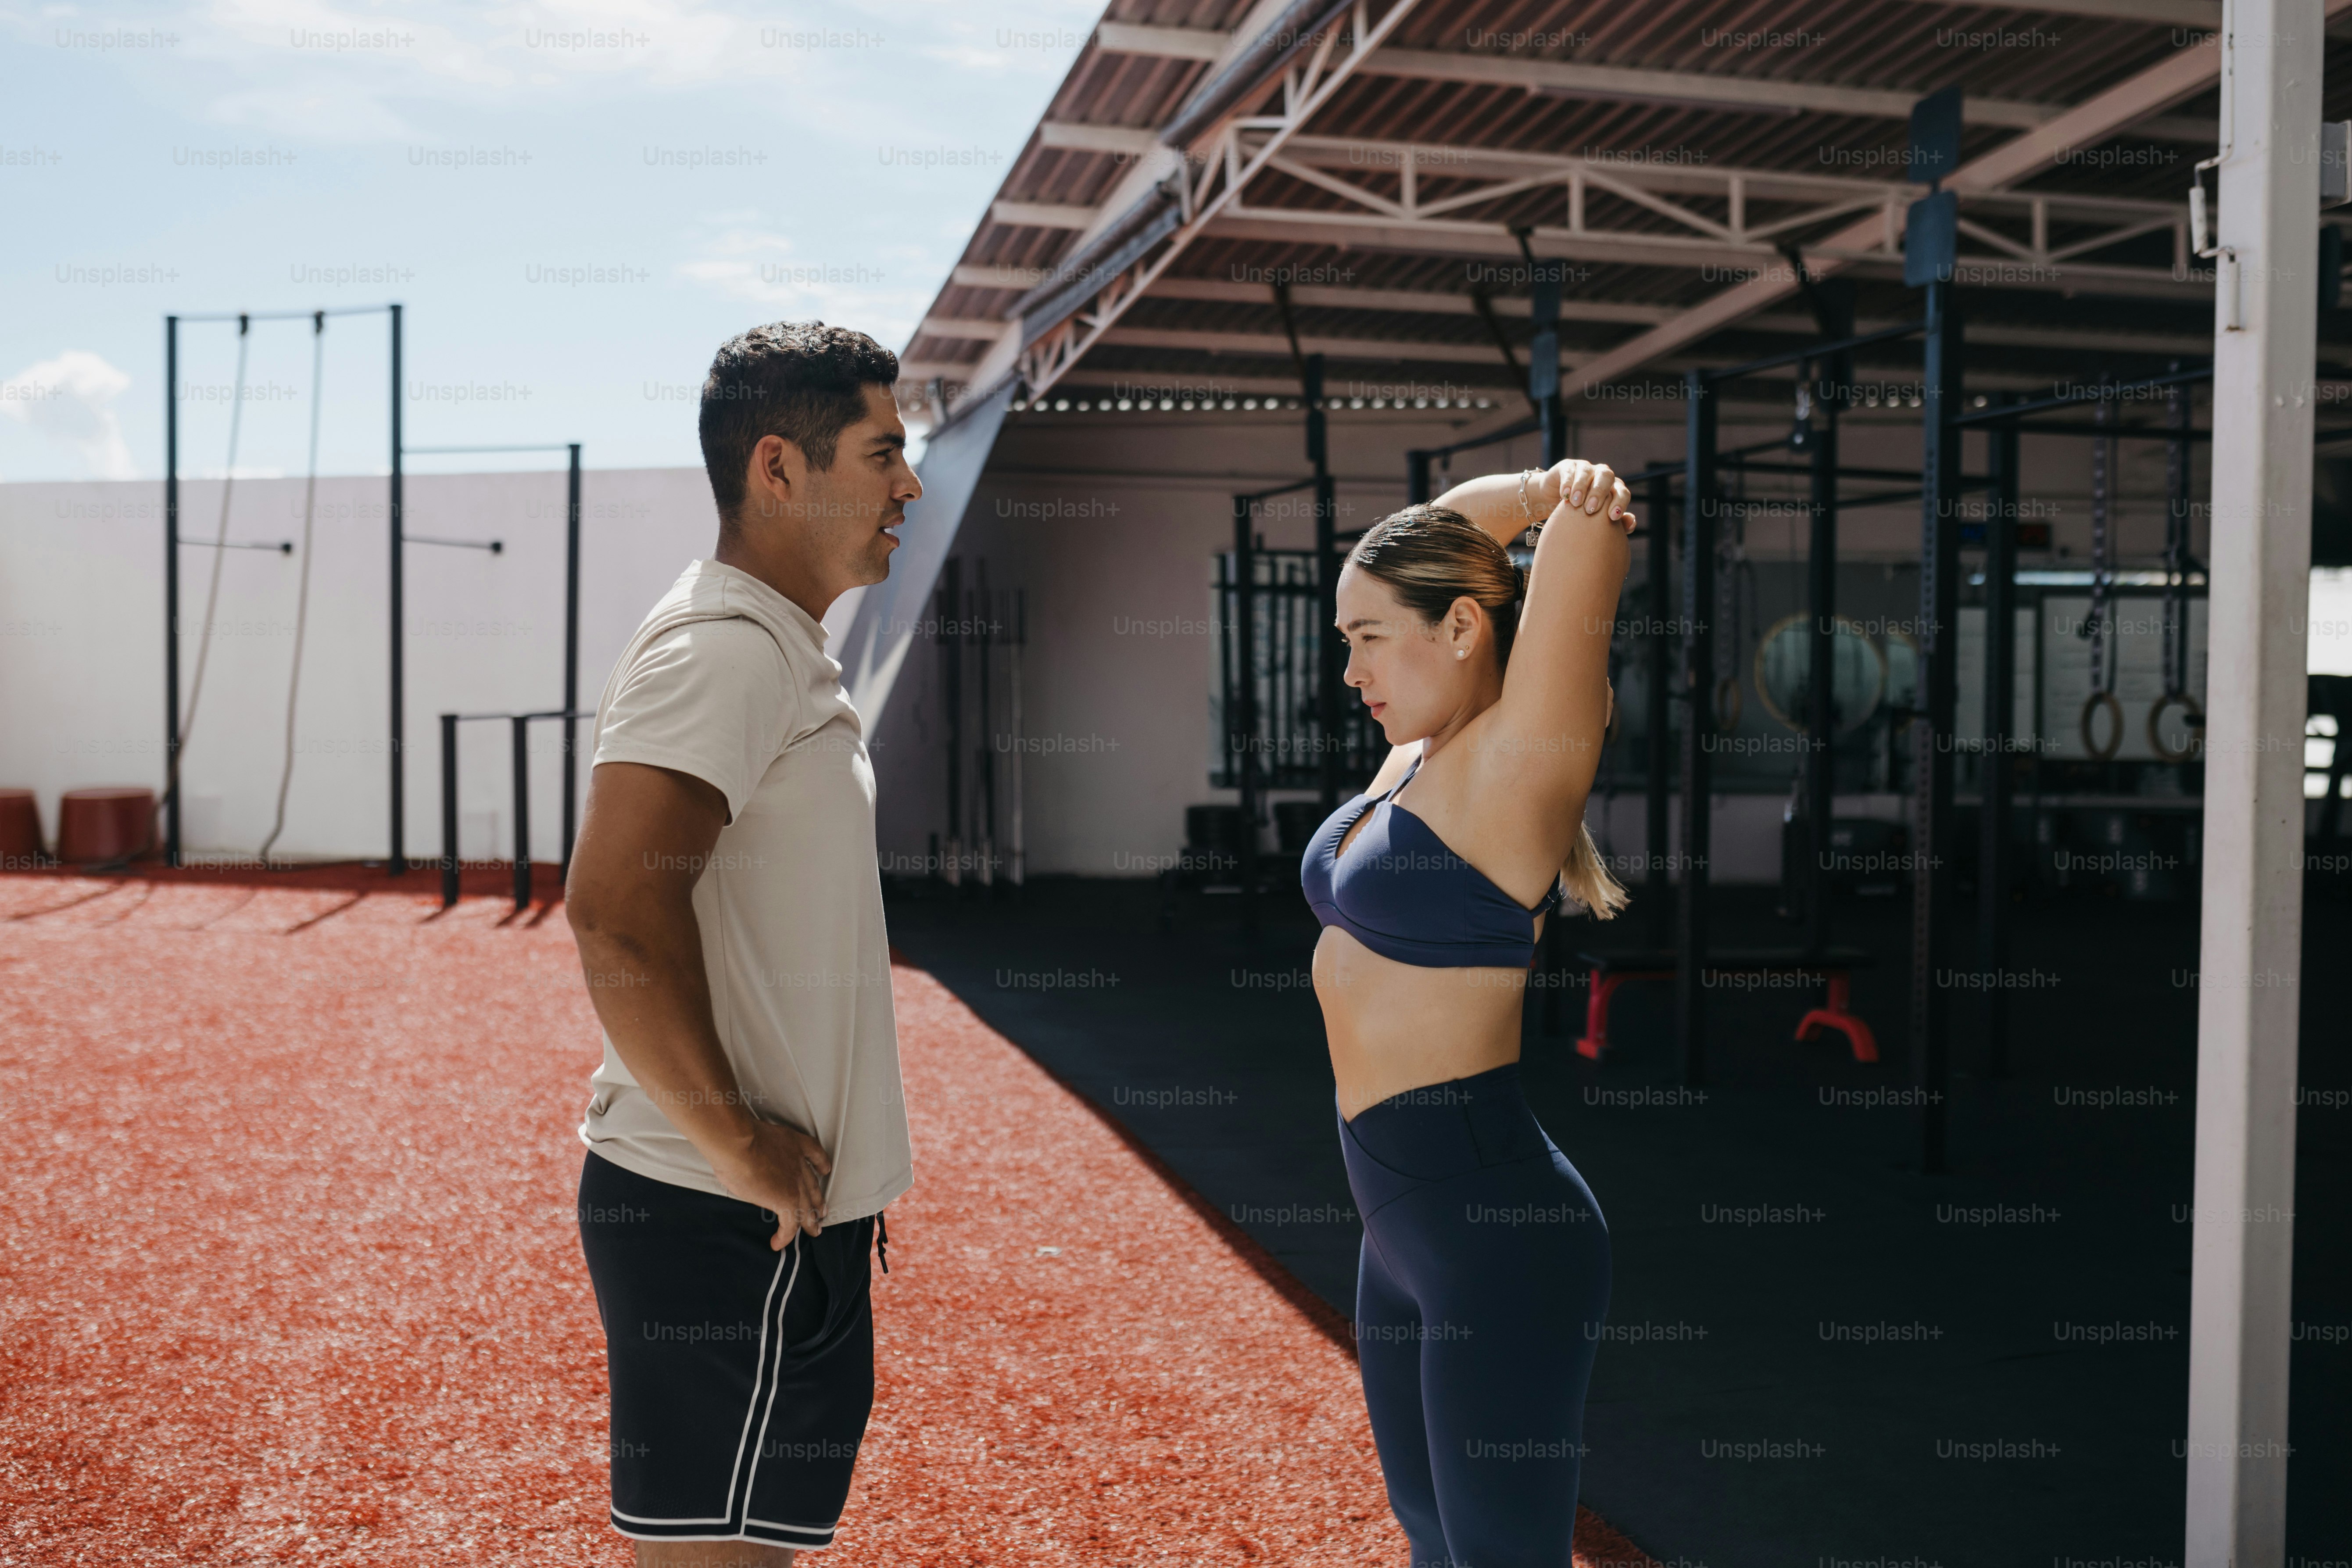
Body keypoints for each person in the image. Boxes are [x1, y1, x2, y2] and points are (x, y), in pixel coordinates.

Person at [564, 322, 920, 1566]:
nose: (910, 484)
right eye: (884, 452)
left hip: (767, 1218)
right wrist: (739, 1144)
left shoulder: (775, 647)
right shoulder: (723, 646)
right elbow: (614, 906)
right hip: (725, 1216)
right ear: (780, 468)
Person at [1299, 458, 1635, 1567]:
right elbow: (1436, 529)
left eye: (1365, 638)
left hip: (1494, 1230)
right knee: (1431, 1532)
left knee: (1502, 1552)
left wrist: (1571, 500)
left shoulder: (1519, 760)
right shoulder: (1414, 756)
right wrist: (1531, 481)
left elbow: (1584, 546)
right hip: (1399, 1227)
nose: (1349, 670)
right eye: (1344, 638)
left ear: (1457, 628)